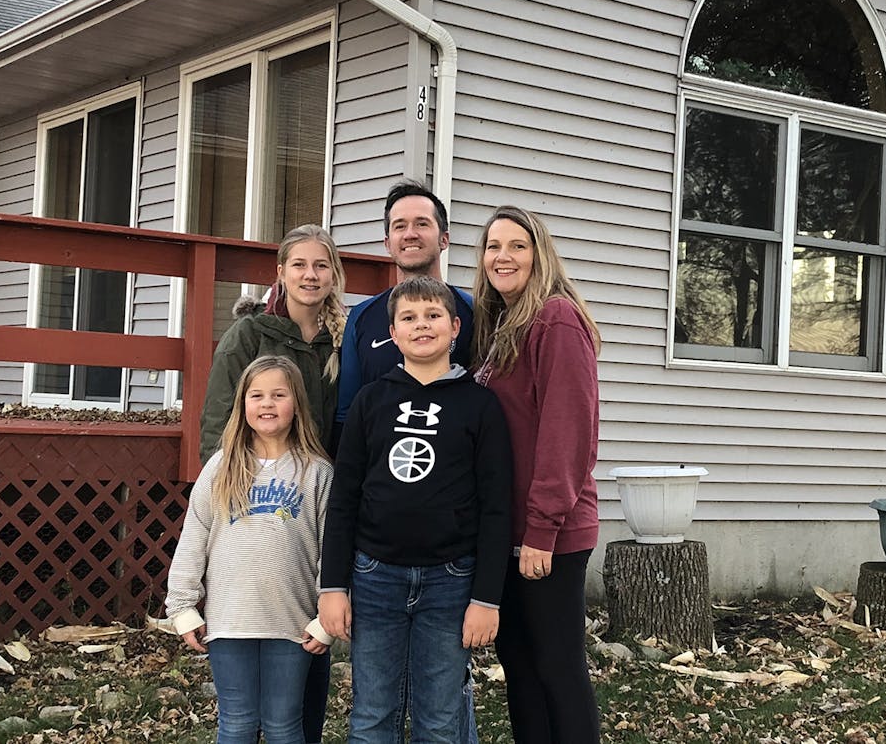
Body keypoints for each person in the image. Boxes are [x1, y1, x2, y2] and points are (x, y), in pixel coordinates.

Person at [318, 276, 513, 744]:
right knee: (371, 717)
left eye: (432, 316)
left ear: (454, 327)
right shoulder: (370, 401)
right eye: (408, 317)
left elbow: (496, 508)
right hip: (374, 576)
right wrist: (332, 586)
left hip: (451, 582)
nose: (421, 325)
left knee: (440, 720)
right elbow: (343, 499)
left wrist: (486, 599)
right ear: (393, 333)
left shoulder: (481, 406)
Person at [198, 223, 346, 744]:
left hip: (316, 500)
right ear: (280, 272)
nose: (310, 275)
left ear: (333, 274)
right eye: (299, 264)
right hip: (254, 501)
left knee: (306, 662)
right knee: (239, 716)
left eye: (321, 265)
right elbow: (220, 422)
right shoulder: (251, 335)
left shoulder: (343, 339)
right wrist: (228, 499)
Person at [471, 205, 603, 744]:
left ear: (539, 254)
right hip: (510, 530)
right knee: (520, 666)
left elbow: (567, 433)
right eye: (493, 246)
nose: (503, 256)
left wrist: (541, 529)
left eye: (517, 246)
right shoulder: (501, 323)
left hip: (551, 533)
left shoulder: (556, 318)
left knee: (556, 667)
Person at [165, 356, 335, 744]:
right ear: (243, 404)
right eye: (256, 395)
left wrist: (326, 618)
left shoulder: (317, 472)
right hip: (229, 621)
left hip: (293, 624)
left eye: (279, 394)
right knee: (237, 722)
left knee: (283, 725)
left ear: (297, 404)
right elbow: (195, 534)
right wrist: (182, 606)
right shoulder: (221, 467)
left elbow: (332, 549)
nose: (267, 404)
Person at [333, 181, 475, 446]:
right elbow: (346, 413)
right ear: (388, 243)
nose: (410, 234)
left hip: (456, 475)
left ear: (444, 238)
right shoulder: (362, 317)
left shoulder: (473, 313)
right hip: (380, 477)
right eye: (400, 226)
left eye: (422, 223)